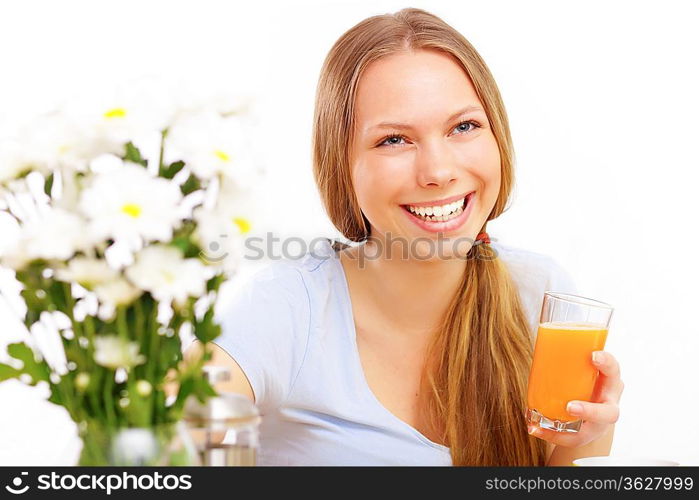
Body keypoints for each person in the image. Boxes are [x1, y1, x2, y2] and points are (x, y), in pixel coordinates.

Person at [185, 7, 623, 466]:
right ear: (342, 167)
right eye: (394, 140)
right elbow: (166, 443)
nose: (438, 171)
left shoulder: (539, 296)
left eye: (464, 127)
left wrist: (587, 436)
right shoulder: (290, 308)